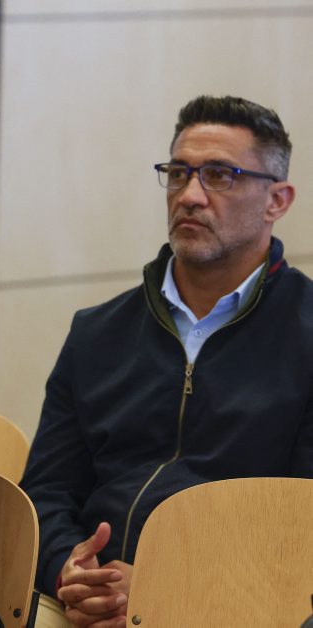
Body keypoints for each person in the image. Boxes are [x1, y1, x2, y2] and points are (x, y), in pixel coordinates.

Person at [20, 95, 313, 628]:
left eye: (220, 175)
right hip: (89, 604)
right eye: (179, 173)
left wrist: (170, 583)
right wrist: (71, 570)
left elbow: (301, 525)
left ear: (277, 200)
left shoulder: (306, 335)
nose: (191, 196)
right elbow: (46, 493)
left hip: (245, 606)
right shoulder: (97, 332)